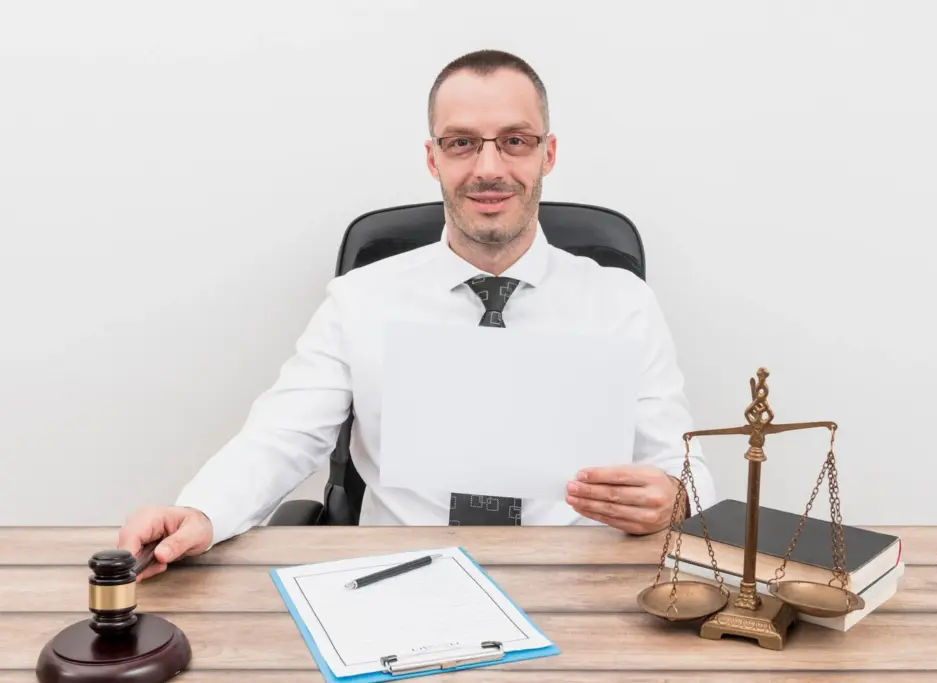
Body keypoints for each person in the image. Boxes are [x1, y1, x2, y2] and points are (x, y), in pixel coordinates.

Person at [118, 49, 716, 580]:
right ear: (433, 158)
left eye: (515, 140)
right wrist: (201, 510)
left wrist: (677, 497)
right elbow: (282, 436)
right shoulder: (359, 299)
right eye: (461, 143)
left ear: (548, 154)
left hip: (574, 580)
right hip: (401, 580)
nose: (488, 168)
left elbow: (682, 465)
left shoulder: (622, 302)